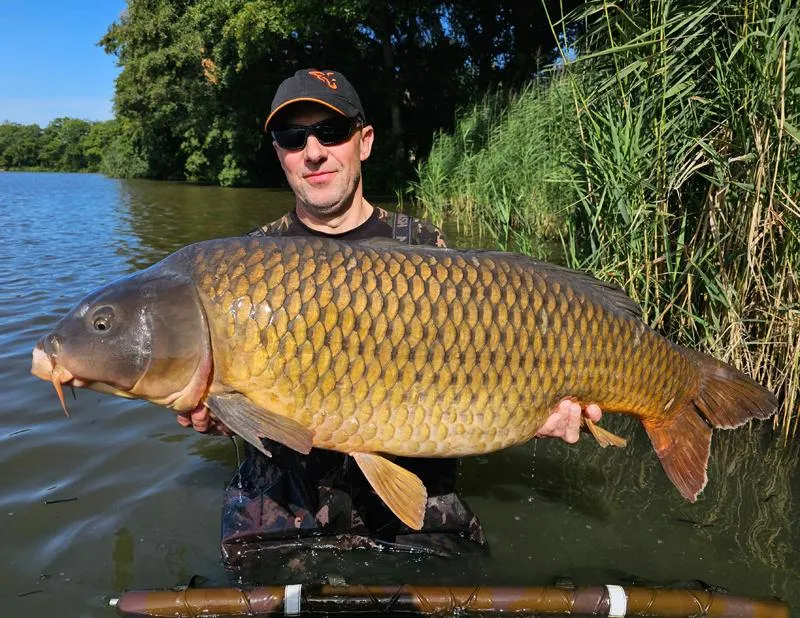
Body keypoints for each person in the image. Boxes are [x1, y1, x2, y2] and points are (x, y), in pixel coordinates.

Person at [177, 69, 602, 575]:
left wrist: (530, 410)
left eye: (331, 132)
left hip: (411, 493)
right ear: (279, 154)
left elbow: (481, 373)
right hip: (287, 508)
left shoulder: (425, 249)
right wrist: (214, 417)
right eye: (293, 139)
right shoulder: (246, 263)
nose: (313, 151)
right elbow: (235, 409)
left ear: (365, 141)